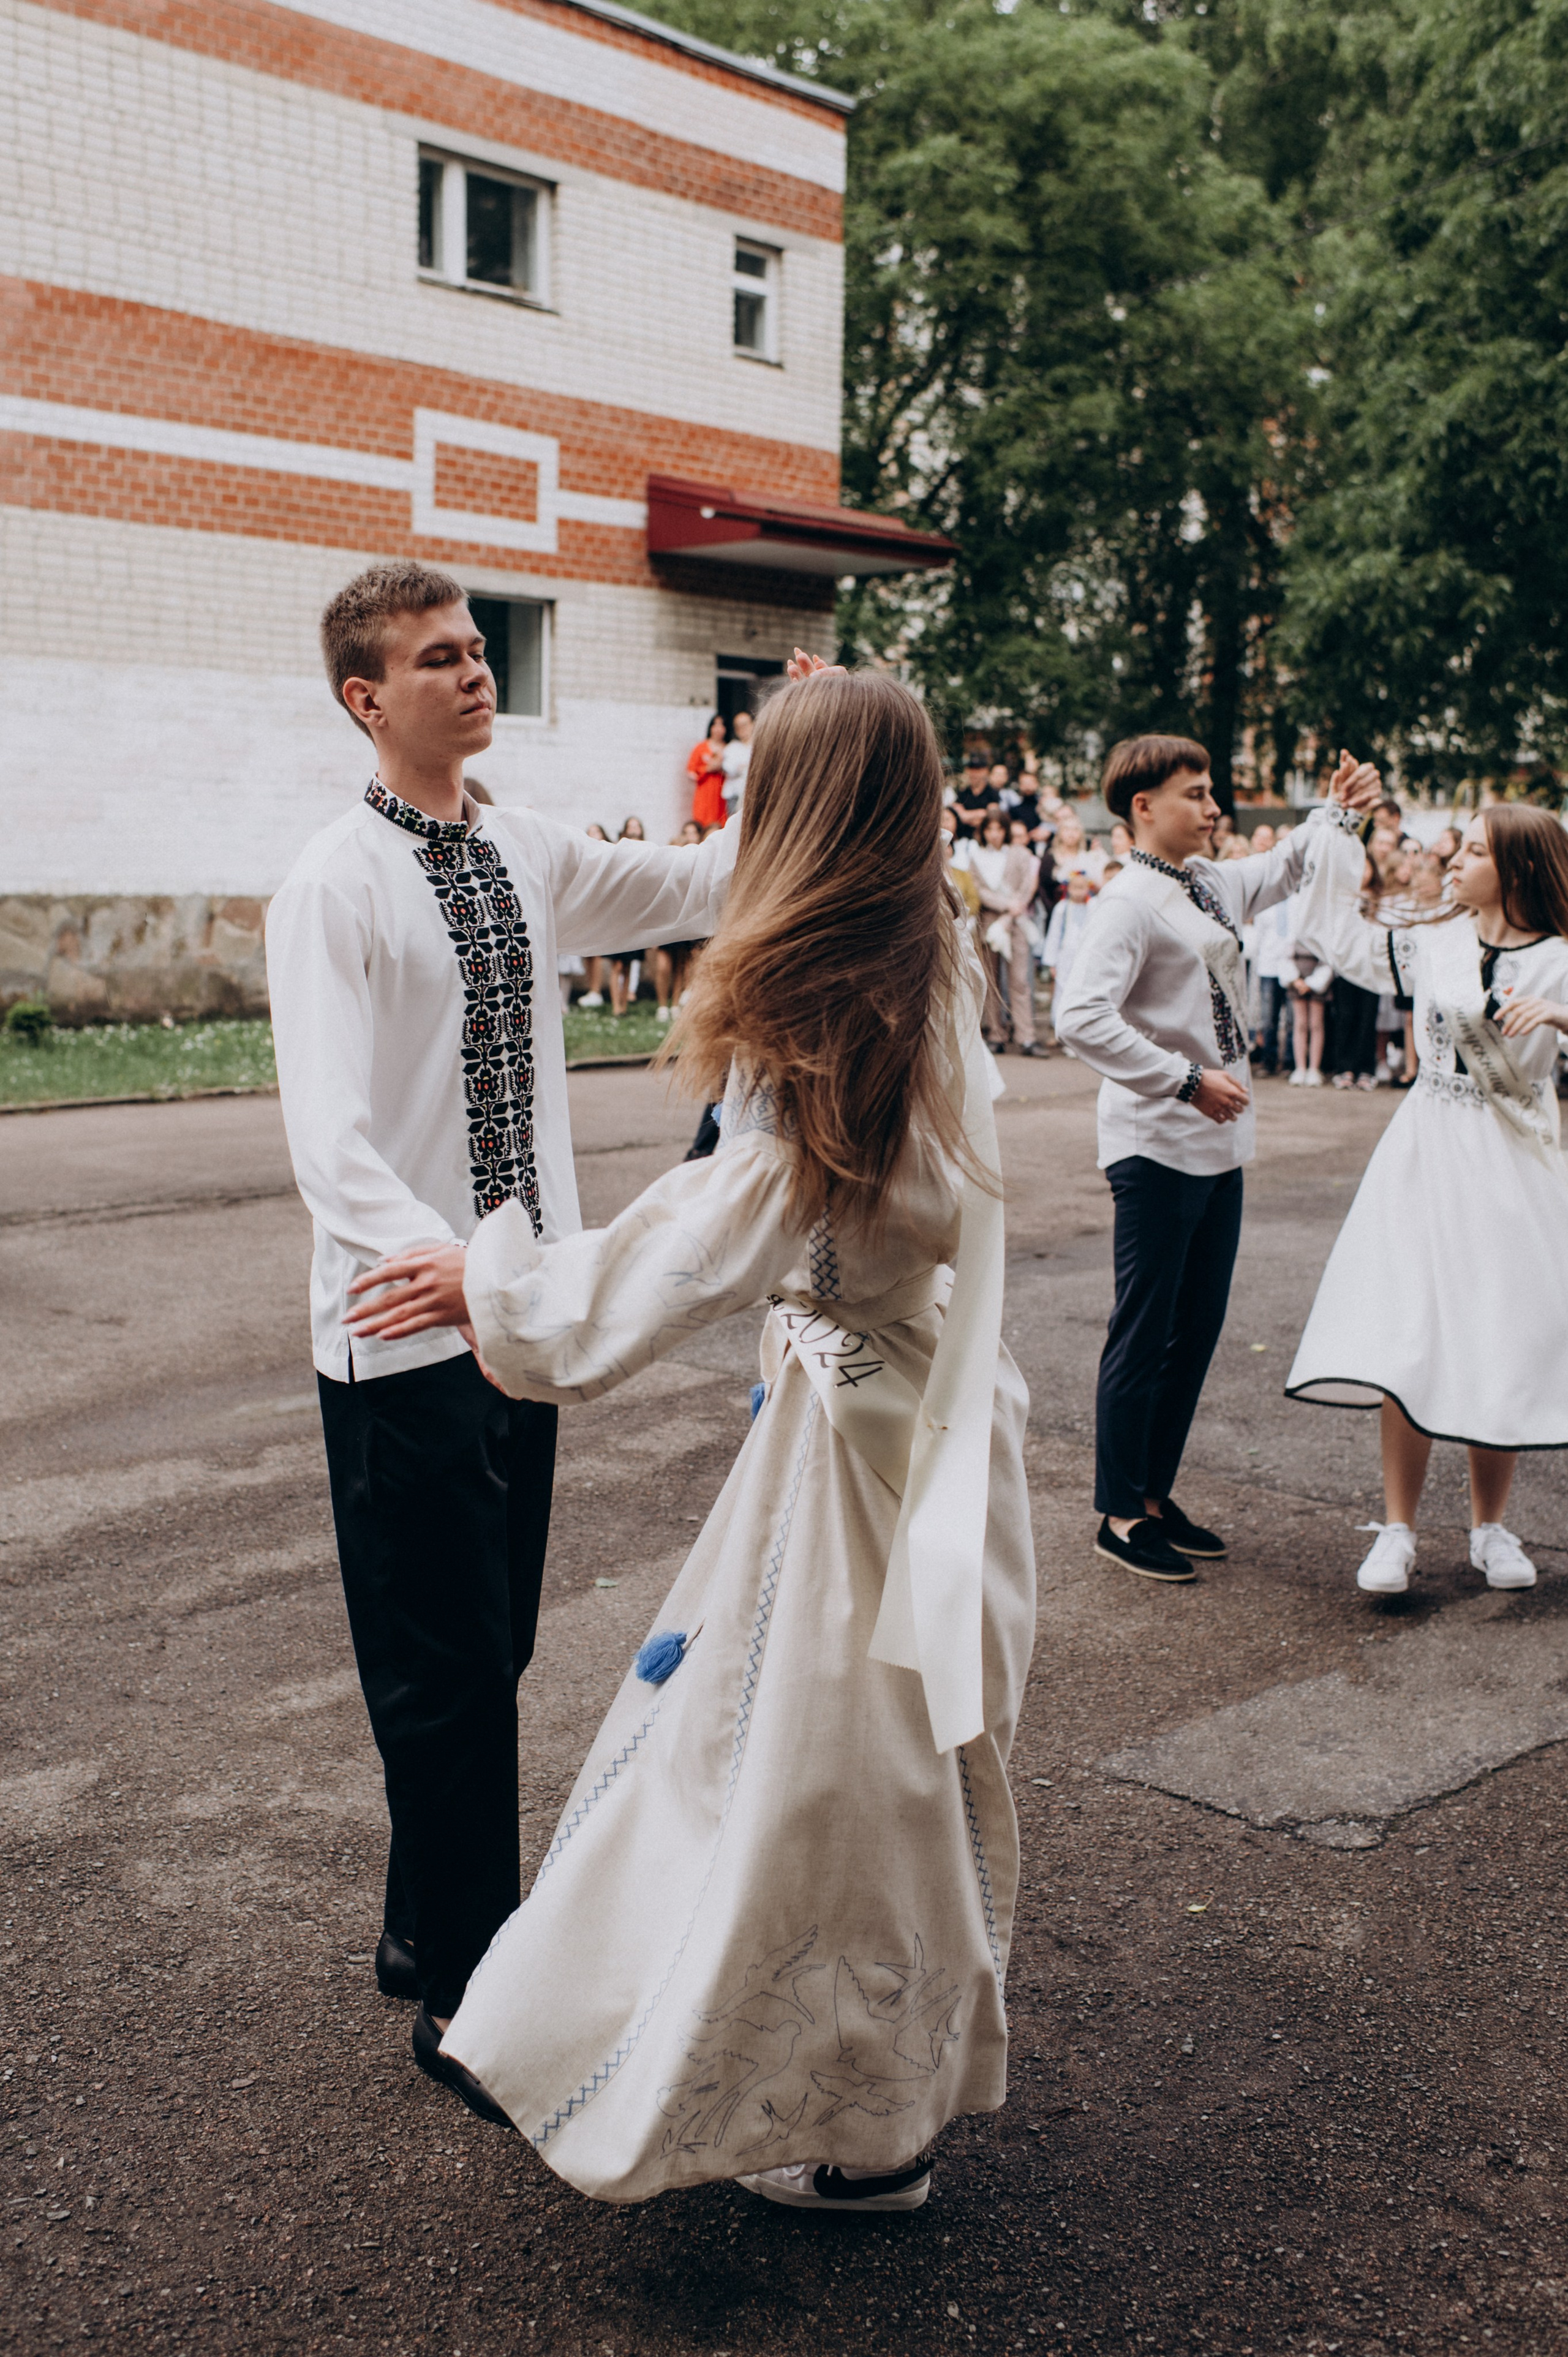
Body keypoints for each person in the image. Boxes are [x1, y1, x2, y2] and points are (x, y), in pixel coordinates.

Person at [343, 661, 1036, 2211]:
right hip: (913, 1412)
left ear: (794, 812)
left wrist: (497, 1279)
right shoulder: (922, 948)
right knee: (863, 1766)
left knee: (824, 1775)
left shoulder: (842, 1000)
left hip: (869, 1457)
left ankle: (842, 2108)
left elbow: (708, 1234)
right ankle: (866, 2097)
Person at [263, 560, 739, 2119]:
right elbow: (330, 1146)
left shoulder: (525, 845)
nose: (472, 673)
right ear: (364, 696)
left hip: (516, 1322)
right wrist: (455, 1272)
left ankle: (421, 1920)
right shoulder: (331, 881)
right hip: (404, 1333)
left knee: (492, 1645)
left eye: (478, 650)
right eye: (436, 658)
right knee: (443, 1666)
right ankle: (472, 1991)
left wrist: (810, 771)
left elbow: (697, 884)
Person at [1053, 735, 1379, 1582]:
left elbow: (1286, 865)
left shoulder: (1206, 880)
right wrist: (1184, 1078)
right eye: (1194, 794)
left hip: (1219, 1146)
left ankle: (1156, 1494)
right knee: (1145, 1330)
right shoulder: (1128, 903)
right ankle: (1121, 1513)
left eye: (1210, 793)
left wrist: (1339, 810)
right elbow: (1080, 1018)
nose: (1212, 807)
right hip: (1156, 1143)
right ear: (1143, 809)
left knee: (1193, 1333)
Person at [1286, 805, 1568, 1597]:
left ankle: (1490, 1527)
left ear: (1517, 871)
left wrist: (1560, 1015)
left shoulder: (1559, 959)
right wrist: (1340, 829)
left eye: (1472, 851)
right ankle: (1399, 1529)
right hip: (1427, 1154)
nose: (1452, 861)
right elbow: (1336, 939)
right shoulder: (1432, 942)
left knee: (1499, 1332)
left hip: (1518, 1164)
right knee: (1408, 1335)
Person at [970, 810, 1042, 1055]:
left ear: (1006, 830)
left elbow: (1026, 885)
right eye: (990, 829)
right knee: (991, 980)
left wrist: (1013, 911)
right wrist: (1004, 906)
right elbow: (978, 889)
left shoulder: (1019, 854)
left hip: (1017, 921)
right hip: (989, 921)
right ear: (984, 832)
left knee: (1020, 980)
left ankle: (1026, 1036)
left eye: (999, 829)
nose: (995, 834)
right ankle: (996, 1033)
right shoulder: (976, 857)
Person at [605, 818, 650, 1020]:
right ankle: (616, 1006)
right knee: (618, 965)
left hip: (635, 917)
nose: (634, 830)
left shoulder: (648, 855)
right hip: (617, 918)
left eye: (637, 827)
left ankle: (624, 1007)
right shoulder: (617, 854)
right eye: (630, 827)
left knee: (631, 964)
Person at [1044, 871, 1096, 1044]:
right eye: (1076, 888)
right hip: (1065, 956)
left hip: (1085, 956)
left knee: (1081, 992)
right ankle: (1060, 1030)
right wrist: (1052, 962)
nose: (1079, 892)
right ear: (1069, 889)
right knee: (1062, 992)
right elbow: (1054, 935)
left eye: (1083, 888)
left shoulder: (1093, 906)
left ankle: (1081, 1034)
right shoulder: (1062, 908)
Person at [687, 715, 728, 831]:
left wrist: (722, 768)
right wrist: (707, 769)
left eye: (722, 725)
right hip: (705, 792)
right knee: (702, 824)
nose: (719, 729)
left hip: (722, 794)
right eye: (715, 725)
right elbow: (691, 772)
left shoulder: (729, 748)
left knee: (721, 825)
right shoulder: (701, 748)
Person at [1049, 809, 1107, 890]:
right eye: (1067, 829)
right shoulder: (1050, 857)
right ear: (1060, 833)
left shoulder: (1088, 855)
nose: (1071, 834)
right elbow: (1044, 887)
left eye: (1075, 830)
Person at [950, 753, 995, 837]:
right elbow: (958, 815)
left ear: (985, 771)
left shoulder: (992, 793)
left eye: (978, 770)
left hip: (985, 839)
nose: (974, 774)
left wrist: (967, 815)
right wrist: (981, 813)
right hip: (963, 838)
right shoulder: (962, 793)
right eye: (971, 769)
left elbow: (992, 816)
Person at [722, 708, 754, 816]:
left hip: (754, 794)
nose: (742, 729)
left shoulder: (760, 745)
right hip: (734, 795)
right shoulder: (731, 748)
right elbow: (730, 769)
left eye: (745, 724)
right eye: (738, 726)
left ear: (752, 724)